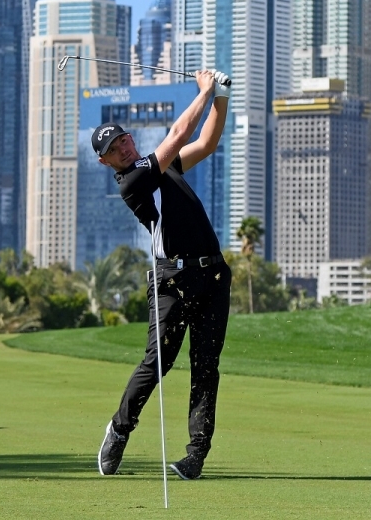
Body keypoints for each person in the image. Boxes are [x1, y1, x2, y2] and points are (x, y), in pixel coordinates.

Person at [93, 68, 232, 481]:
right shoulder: (133, 180)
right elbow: (177, 134)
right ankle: (119, 431)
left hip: (213, 276)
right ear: (105, 162)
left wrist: (220, 97)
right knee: (159, 362)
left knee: (206, 366)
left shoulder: (167, 167)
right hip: (173, 279)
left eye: (123, 138)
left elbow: (205, 141)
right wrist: (204, 91)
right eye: (113, 148)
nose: (122, 146)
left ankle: (195, 455)